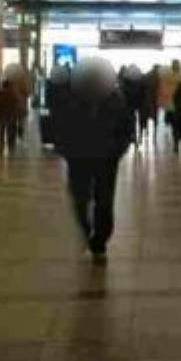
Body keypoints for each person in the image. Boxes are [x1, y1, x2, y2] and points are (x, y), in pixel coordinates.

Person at [55, 57, 131, 263]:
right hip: (79, 158)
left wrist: (117, 151)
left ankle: (100, 242)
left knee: (104, 201)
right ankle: (85, 227)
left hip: (106, 159)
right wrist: (66, 150)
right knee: (79, 198)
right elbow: (60, 127)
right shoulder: (71, 99)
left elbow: (126, 130)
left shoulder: (116, 100)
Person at [158, 59, 180, 152]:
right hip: (180, 105)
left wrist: (163, 103)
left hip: (172, 105)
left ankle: (176, 143)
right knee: (178, 125)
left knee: (175, 126)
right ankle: (177, 142)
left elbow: (163, 91)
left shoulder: (167, 77)